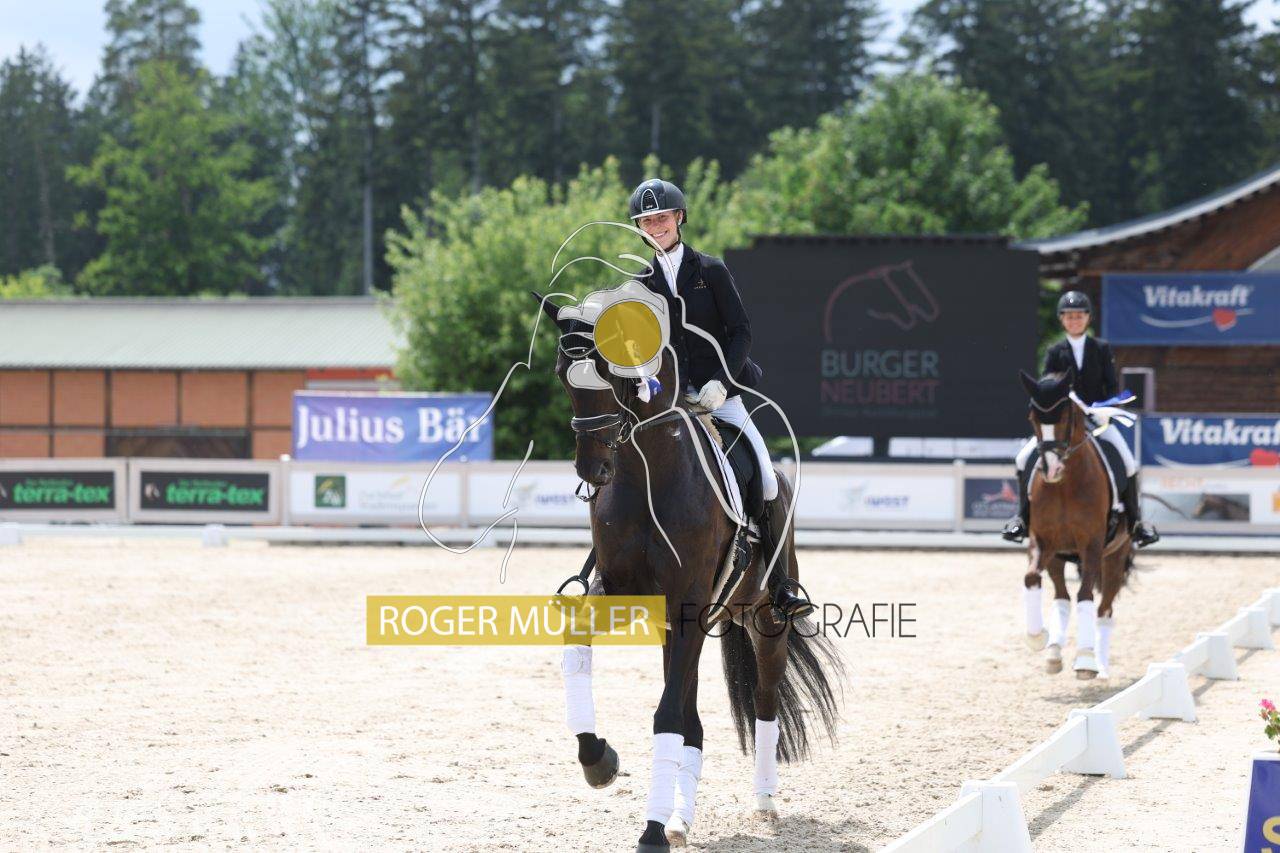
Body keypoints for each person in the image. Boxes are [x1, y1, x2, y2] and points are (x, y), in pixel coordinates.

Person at [629, 177, 813, 619]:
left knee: (767, 478)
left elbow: (741, 332)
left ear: (679, 218)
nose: (656, 226)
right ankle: (600, 571)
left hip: (719, 396)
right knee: (626, 472)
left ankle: (783, 584)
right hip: (668, 404)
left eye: (662, 217)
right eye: (647, 221)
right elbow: (636, 344)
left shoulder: (710, 271)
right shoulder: (638, 283)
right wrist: (645, 379)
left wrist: (721, 383)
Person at [1002, 290, 1159, 548]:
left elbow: (1111, 386)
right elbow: (1046, 386)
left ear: (1088, 318)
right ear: (1062, 319)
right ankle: (1022, 518)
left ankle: (1135, 523)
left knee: (1128, 461)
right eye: (1069, 316)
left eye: (1079, 316)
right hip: (1062, 422)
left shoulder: (1101, 349)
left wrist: (1103, 407)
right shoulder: (1055, 351)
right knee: (1022, 458)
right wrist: (1069, 401)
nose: (1074, 320)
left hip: (1096, 421)